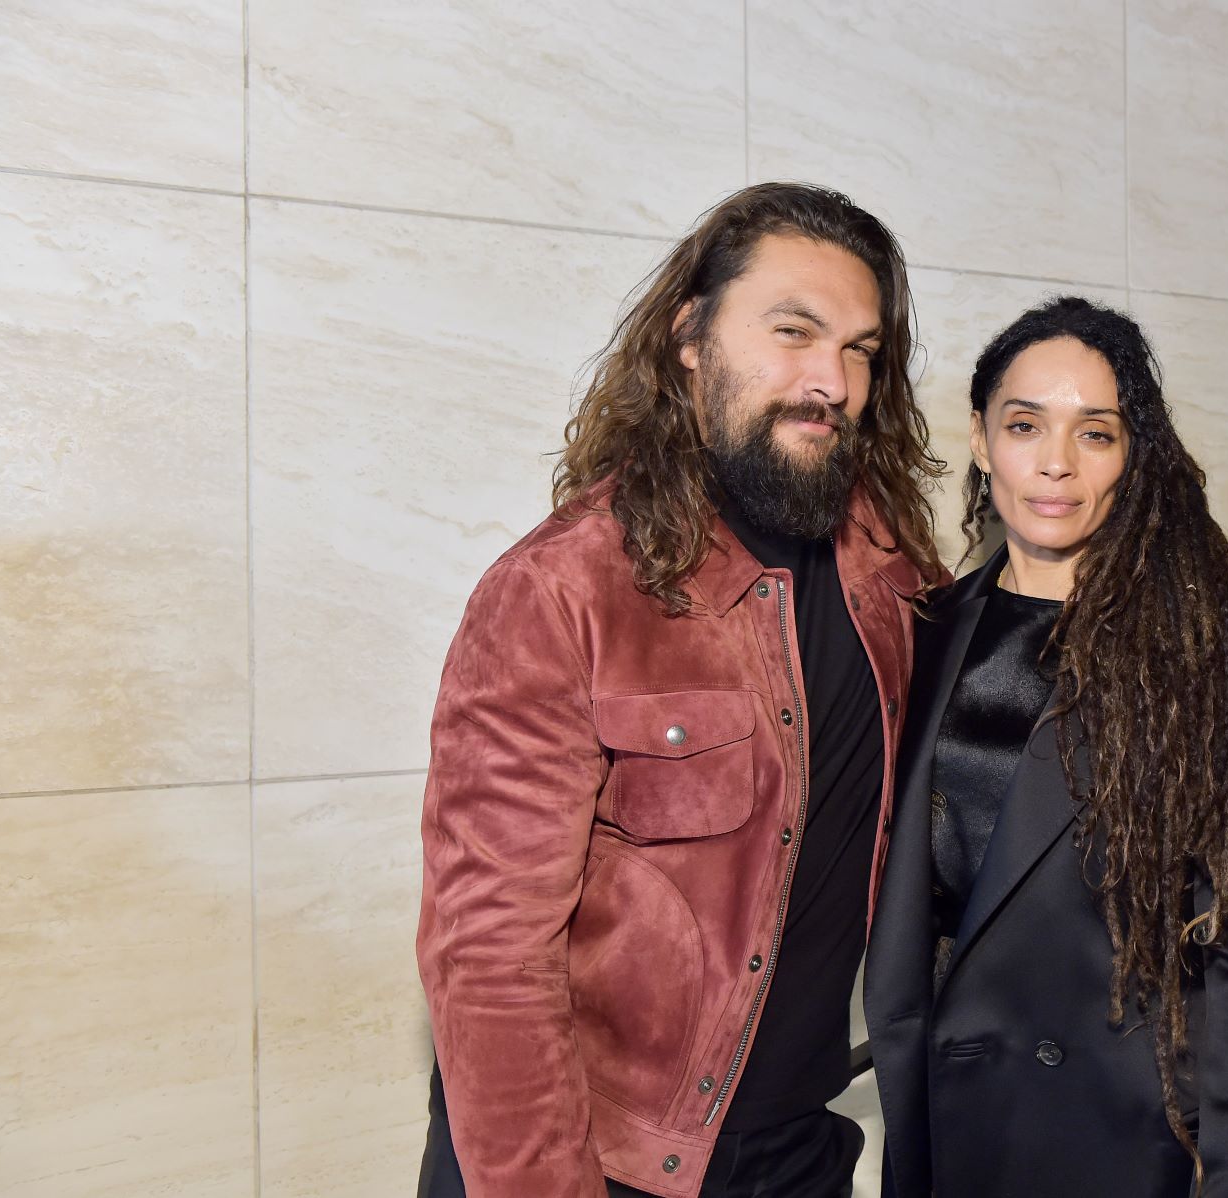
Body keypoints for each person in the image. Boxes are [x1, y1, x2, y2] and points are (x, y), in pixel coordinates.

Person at [415, 182, 946, 1198]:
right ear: (690, 336)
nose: (831, 380)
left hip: (798, 1154)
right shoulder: (562, 590)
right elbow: (488, 956)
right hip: (591, 1158)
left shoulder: (893, 580)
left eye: (861, 350)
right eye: (793, 331)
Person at [863, 296, 1228, 1197]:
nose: (1055, 462)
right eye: (1025, 425)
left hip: (1122, 1130)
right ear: (982, 440)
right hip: (946, 1117)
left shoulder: (1210, 651)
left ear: (1132, 455)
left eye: (1095, 434)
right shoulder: (920, 632)